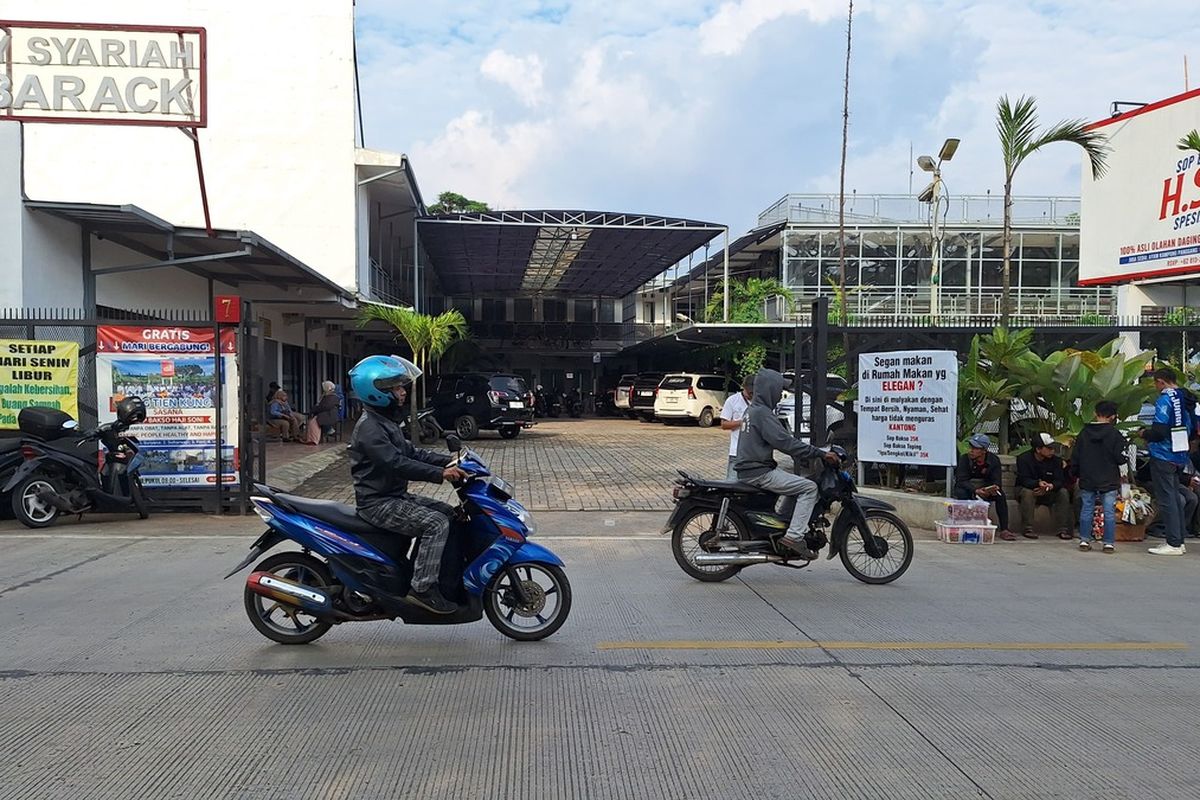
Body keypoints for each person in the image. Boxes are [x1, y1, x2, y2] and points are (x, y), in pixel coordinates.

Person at [348, 355, 467, 614]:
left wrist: (452, 461)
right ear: (377, 391)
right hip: (378, 503)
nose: (403, 392)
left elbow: (412, 453)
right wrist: (440, 474)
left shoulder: (384, 422)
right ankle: (422, 590)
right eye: (397, 388)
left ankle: (438, 577)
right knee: (436, 524)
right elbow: (396, 463)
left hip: (393, 496)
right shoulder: (370, 428)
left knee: (449, 513)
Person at [734, 369, 840, 559]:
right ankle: (793, 537)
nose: (779, 395)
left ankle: (783, 524)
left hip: (753, 469)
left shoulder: (754, 410)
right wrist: (819, 453)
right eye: (778, 390)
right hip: (759, 472)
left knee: (796, 483)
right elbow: (785, 443)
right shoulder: (763, 413)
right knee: (809, 488)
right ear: (769, 390)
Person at [1140, 367, 1196, 556]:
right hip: (1179, 454)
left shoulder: (1165, 399)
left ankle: (1173, 542)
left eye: (1156, 383)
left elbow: (1159, 431)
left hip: (1163, 454)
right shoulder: (1185, 398)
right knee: (1174, 498)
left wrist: (1144, 434)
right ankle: (1178, 540)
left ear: (1161, 382)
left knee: (1167, 499)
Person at [1071, 400, 1127, 553]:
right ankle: (1108, 543)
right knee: (1108, 511)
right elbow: (1120, 456)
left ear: (1095, 413)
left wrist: (1075, 473)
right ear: (1113, 416)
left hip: (1088, 476)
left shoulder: (1084, 433)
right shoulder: (1115, 434)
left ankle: (1084, 540)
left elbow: (1076, 456)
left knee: (1086, 509)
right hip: (1108, 478)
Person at [952, 433, 1015, 540]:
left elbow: (997, 481)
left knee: (1001, 496)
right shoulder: (964, 459)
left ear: (984, 450)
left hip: (986, 488)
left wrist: (991, 490)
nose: (971, 450)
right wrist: (975, 490)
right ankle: (966, 525)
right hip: (969, 488)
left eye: (975, 448)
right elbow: (961, 480)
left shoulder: (993, 460)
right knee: (961, 492)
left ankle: (1005, 529)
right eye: (971, 447)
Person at [1015, 432, 1072, 540]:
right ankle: (1028, 528)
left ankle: (1063, 529)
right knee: (1027, 493)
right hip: (1029, 488)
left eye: (1053, 448)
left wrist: (1051, 486)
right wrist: (1037, 484)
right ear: (1038, 449)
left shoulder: (1056, 461)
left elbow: (1060, 480)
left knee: (1063, 492)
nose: (1052, 451)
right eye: (1049, 448)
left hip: (1049, 491)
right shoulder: (1024, 459)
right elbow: (1023, 479)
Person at [719, 375, 753, 480]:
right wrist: (742, 422)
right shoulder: (732, 400)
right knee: (732, 483)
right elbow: (724, 424)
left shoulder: (760, 401)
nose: (751, 395)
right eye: (749, 392)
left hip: (755, 453)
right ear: (744, 387)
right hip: (737, 452)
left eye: (754, 392)